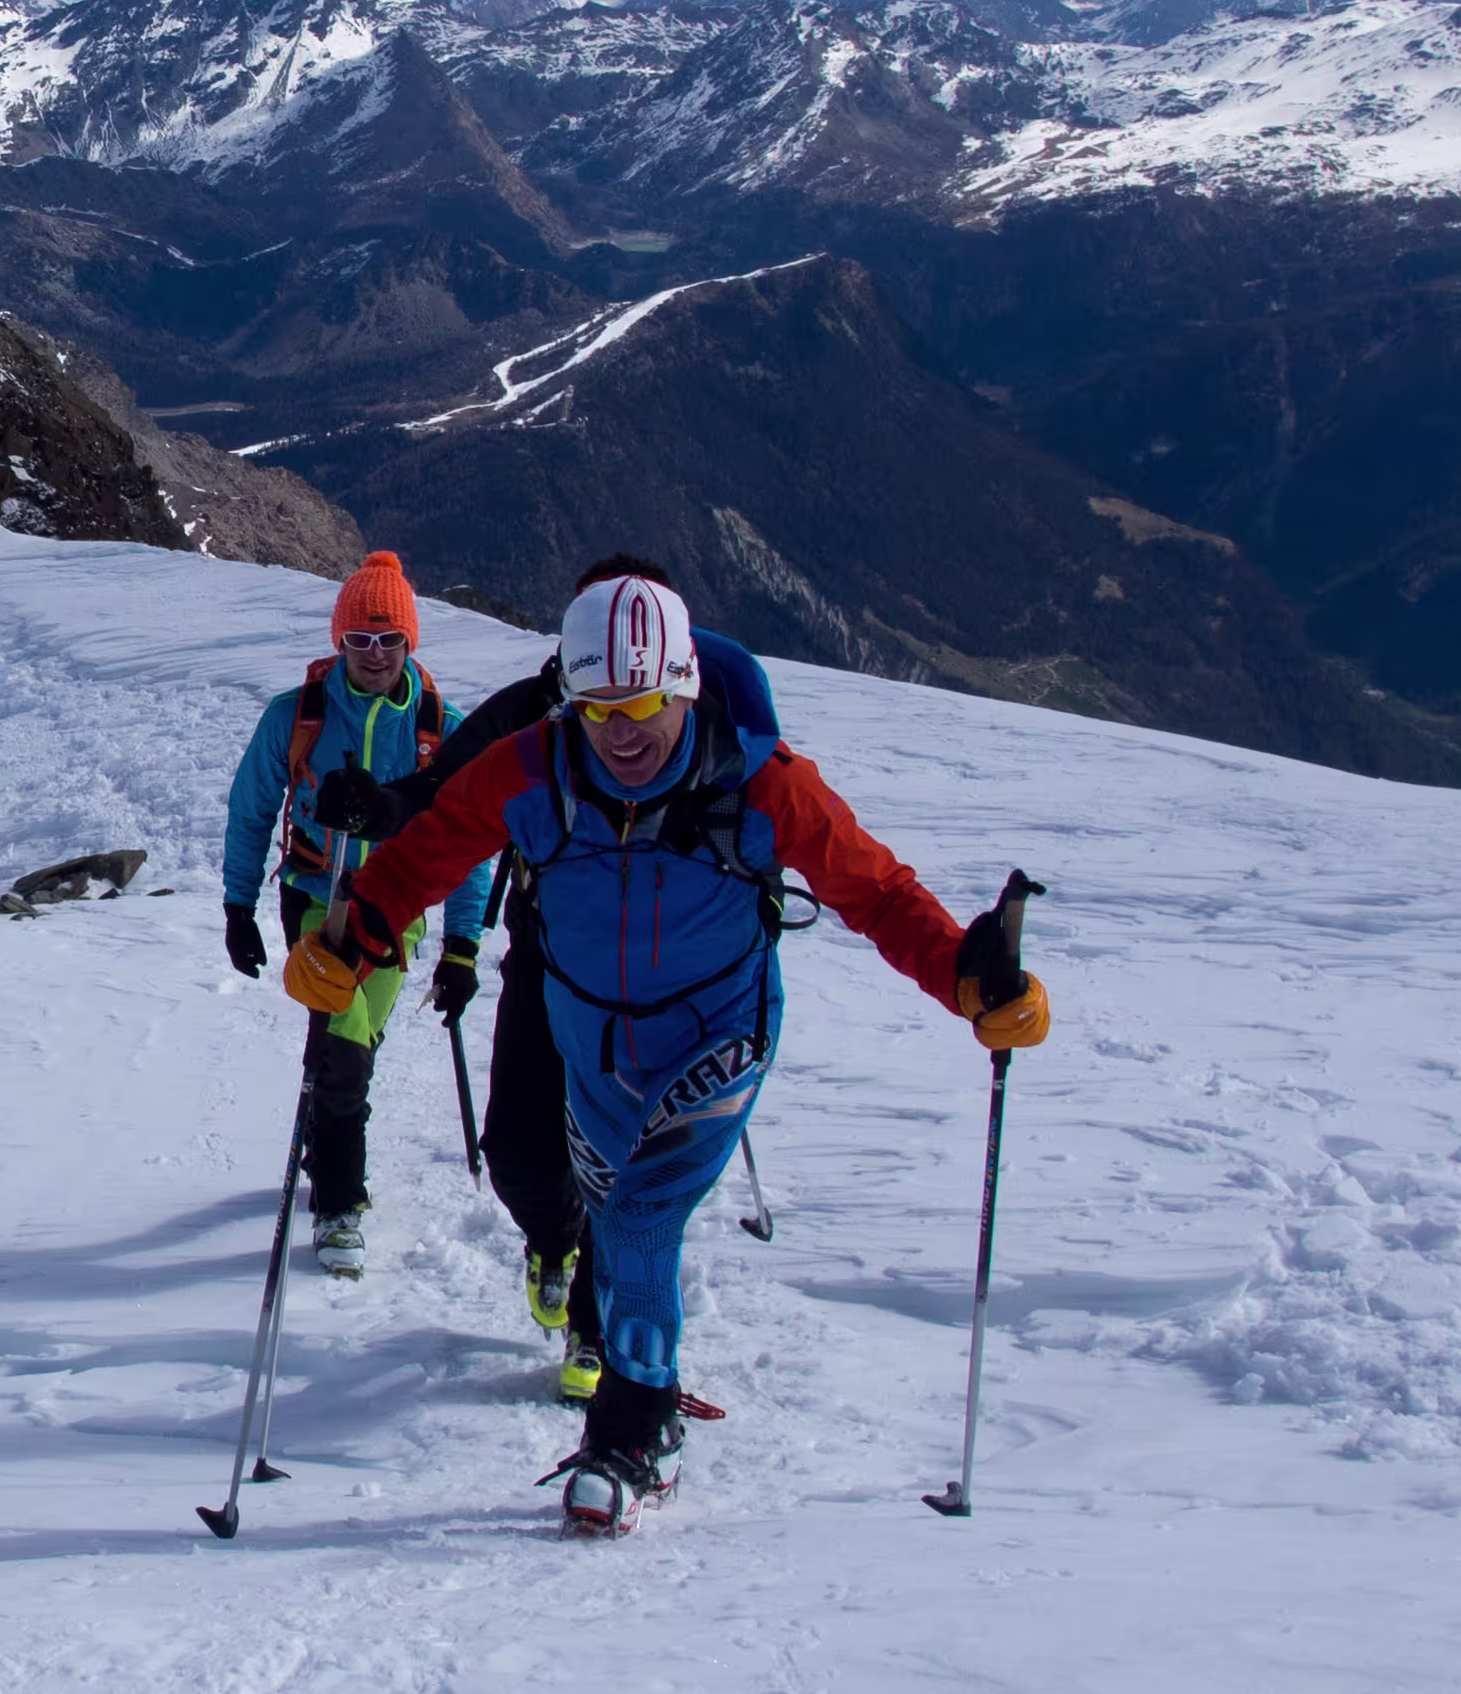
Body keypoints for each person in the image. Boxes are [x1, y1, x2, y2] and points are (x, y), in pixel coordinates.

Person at [282, 570, 1051, 1534]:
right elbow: (423, 858)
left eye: (644, 703)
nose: (622, 731)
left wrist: (966, 980)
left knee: (641, 1217)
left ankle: (631, 1434)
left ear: (684, 684)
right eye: (599, 706)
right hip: (591, 1043)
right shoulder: (531, 769)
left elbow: (878, 894)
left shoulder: (763, 783)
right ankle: (648, 1390)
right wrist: (351, 941)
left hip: (718, 1033)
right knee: (610, 1222)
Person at [308, 554, 780, 1404]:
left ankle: (596, 1330)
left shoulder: (707, 726)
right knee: (520, 1155)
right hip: (550, 956)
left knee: (623, 1166)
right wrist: (377, 812)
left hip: (676, 988)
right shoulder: (537, 709)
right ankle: (553, 1242)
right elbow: (443, 795)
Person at [218, 551, 493, 1277]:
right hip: (315, 898)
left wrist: (462, 945)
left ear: (410, 641)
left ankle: (325, 1144)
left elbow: (470, 843)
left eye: (389, 639)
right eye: (359, 640)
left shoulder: (443, 731)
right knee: (342, 1041)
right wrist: (238, 906)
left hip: (397, 908)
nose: (374, 654)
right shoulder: (297, 716)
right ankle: (340, 1202)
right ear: (339, 641)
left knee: (354, 1041)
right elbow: (251, 810)